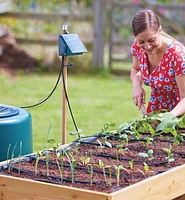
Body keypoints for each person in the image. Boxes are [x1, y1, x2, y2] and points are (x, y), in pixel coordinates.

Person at [130, 9, 185, 117]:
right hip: (156, 110)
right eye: (141, 42)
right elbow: (135, 69)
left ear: (160, 30)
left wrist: (168, 118)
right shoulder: (138, 46)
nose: (147, 46)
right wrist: (136, 85)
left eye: (151, 40)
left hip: (179, 113)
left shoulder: (177, 56)